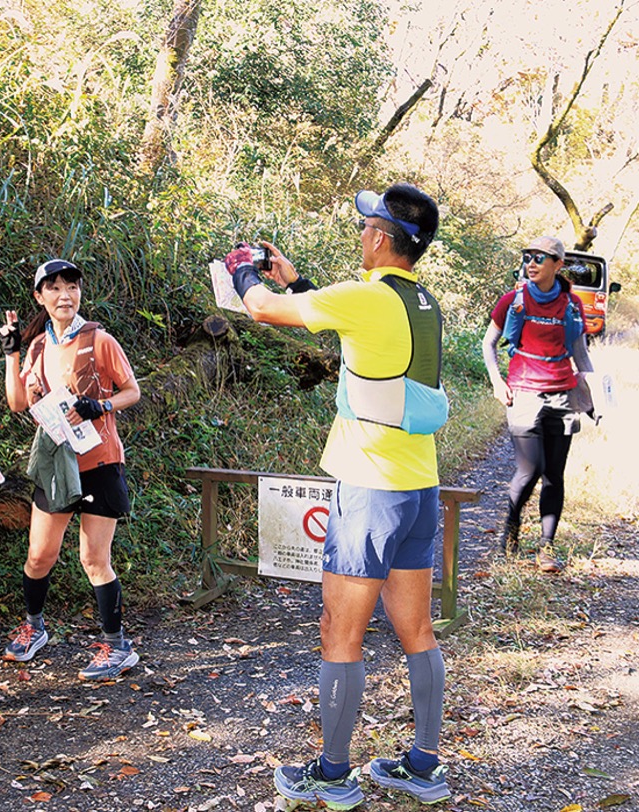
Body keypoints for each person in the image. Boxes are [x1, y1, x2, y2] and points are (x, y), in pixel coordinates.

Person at [227, 183, 453, 809]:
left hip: (370, 492)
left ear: (380, 237)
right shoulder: (422, 303)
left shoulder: (366, 296)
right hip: (417, 488)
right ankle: (423, 766)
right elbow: (359, 343)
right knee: (416, 629)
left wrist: (246, 272)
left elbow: (265, 311)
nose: (361, 235)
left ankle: (331, 775)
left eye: (366, 227)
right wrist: (300, 285)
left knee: (339, 632)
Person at [0, 259, 142, 681]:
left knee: (94, 558)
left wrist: (101, 405)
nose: (65, 295)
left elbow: (132, 391)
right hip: (57, 462)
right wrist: (11, 355)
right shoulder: (39, 346)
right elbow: (18, 403)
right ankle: (34, 627)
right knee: (39, 555)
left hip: (98, 461)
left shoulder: (99, 340)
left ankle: (116, 647)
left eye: (72, 287)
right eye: (55, 288)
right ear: (39, 297)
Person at [481, 236, 597, 574]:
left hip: (562, 396)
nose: (531, 263)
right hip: (523, 394)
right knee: (529, 469)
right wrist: (496, 381)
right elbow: (489, 344)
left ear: (557, 264)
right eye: (528, 257)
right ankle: (510, 532)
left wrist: (592, 397)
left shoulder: (572, 303)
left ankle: (546, 547)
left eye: (540, 258)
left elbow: (580, 354)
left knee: (554, 475)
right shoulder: (513, 300)